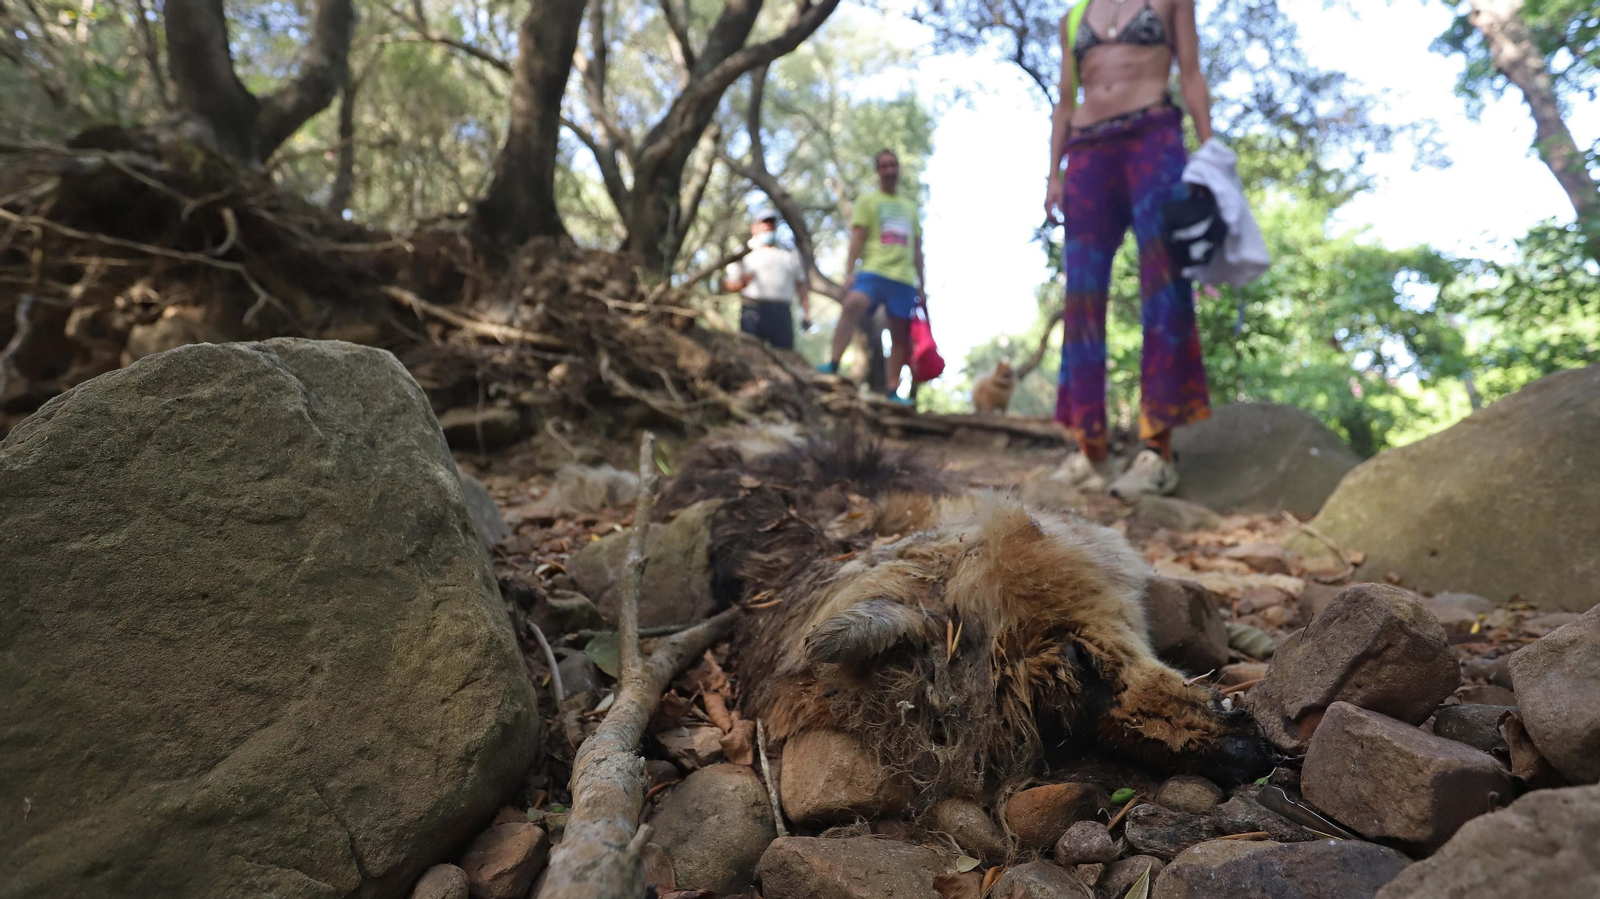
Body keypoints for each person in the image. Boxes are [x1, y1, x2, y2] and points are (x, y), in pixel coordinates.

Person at [1043, 0, 1215, 498]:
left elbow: (1192, 74)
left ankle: (1156, 451)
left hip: (1153, 138)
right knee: (1081, 293)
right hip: (1087, 153)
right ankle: (1090, 450)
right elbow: (1064, 98)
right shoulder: (1072, 19)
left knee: (1165, 282)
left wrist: (1210, 151)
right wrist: (1053, 173)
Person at [819, 149, 926, 406]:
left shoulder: (910, 207)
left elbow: (917, 248)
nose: (889, 170)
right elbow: (857, 239)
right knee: (852, 305)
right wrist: (849, 273)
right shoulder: (867, 202)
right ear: (878, 171)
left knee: (900, 335)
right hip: (872, 271)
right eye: (884, 166)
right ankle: (833, 364)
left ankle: (892, 391)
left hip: (902, 278)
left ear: (898, 169)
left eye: (893, 165)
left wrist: (922, 285)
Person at [723, 207, 811, 350]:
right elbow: (728, 283)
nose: (768, 227)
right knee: (751, 353)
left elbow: (801, 284)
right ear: (754, 228)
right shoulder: (743, 252)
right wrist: (741, 284)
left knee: (785, 354)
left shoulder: (789, 253)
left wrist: (806, 313)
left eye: (771, 223)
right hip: (753, 310)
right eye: (764, 223)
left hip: (782, 312)